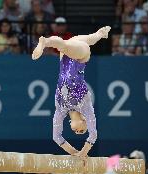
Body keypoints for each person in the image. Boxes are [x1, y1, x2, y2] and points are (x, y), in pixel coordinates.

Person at [32, 26, 111, 158]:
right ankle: (45, 42)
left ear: (69, 123)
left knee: (71, 43)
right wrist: (83, 153)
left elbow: (56, 137)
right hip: (81, 58)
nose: (78, 132)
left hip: (65, 57)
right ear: (84, 120)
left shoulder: (61, 109)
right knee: (65, 45)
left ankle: (100, 34)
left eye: (77, 132)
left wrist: (75, 153)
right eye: (81, 131)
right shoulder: (85, 107)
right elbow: (93, 135)